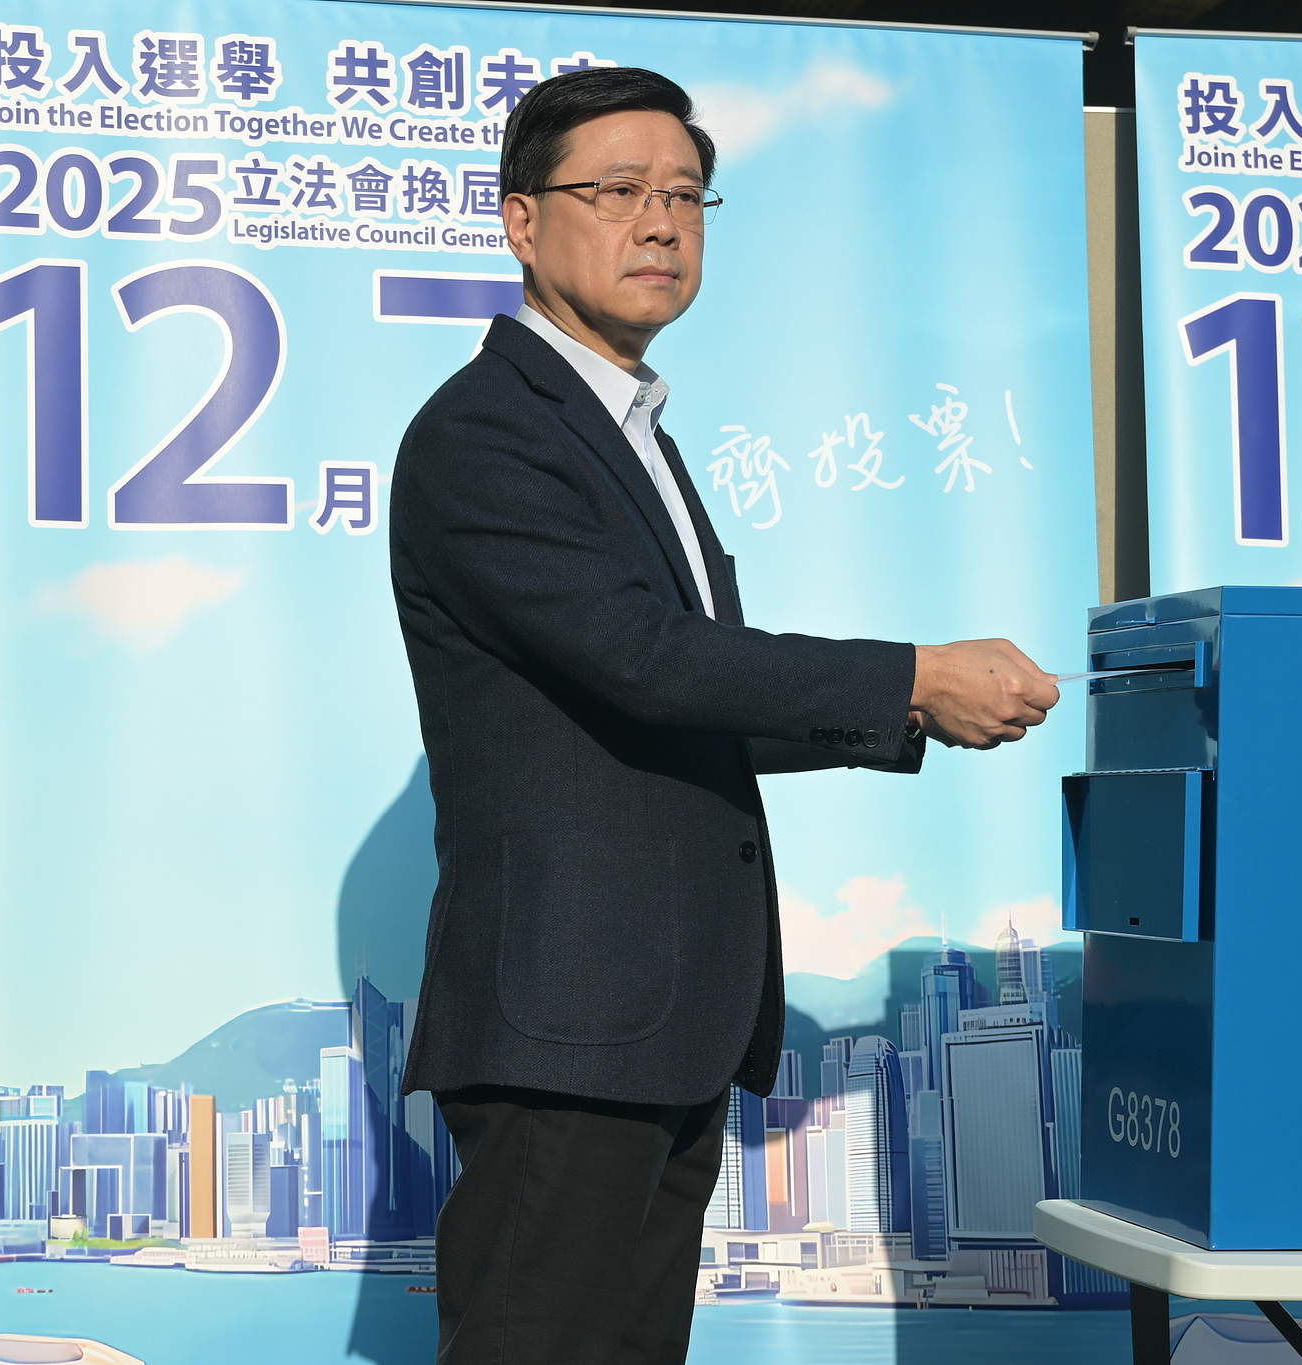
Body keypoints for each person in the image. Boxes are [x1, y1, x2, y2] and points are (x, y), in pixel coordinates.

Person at [387, 66, 1062, 1364]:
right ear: (521, 220)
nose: (660, 222)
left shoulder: (629, 427)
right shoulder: (487, 435)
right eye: (619, 191)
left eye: (688, 194)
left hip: (661, 1027)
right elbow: (648, 662)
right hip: (568, 1028)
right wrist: (913, 673)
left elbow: (671, 696)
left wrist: (901, 722)